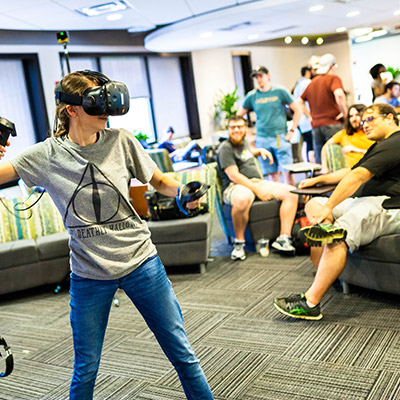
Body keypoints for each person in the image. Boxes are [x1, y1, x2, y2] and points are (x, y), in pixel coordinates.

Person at [0, 71, 213, 400]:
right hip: (89, 273)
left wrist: (182, 191)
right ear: (71, 109)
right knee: (86, 368)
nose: (107, 109)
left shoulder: (121, 140)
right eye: (97, 102)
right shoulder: (46, 155)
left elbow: (158, 181)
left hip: (141, 262)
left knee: (183, 355)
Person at [273, 103, 400, 320]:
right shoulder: (381, 145)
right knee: (313, 204)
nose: (364, 125)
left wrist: (329, 207)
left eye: (370, 119)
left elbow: (358, 176)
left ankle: (310, 302)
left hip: (388, 205)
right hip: (367, 200)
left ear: (389, 118)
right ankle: (328, 234)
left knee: (338, 232)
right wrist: (318, 179)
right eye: (363, 121)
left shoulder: (396, 142)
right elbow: (349, 171)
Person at [218, 115, 299, 260]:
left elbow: (246, 154)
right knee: (242, 199)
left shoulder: (244, 143)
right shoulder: (225, 147)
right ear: (228, 130)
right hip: (236, 185)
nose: (236, 130)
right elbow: (234, 175)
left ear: (246, 129)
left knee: (291, 193)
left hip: (256, 182)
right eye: (232, 127)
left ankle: (284, 238)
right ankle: (239, 243)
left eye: (240, 127)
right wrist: (257, 190)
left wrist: (259, 151)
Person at [237, 66, 303, 186]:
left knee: (288, 173)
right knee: (273, 176)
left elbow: (298, 109)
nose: (259, 79)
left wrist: (292, 130)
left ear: (268, 75)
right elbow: (239, 116)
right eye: (256, 77)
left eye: (261, 76)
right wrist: (248, 134)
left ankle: (294, 201)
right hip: (262, 139)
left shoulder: (280, 91)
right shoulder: (252, 96)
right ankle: (279, 201)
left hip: (280, 137)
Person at [299, 53, 348, 164]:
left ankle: (323, 180)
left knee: (321, 159)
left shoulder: (312, 82)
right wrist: (344, 112)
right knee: (337, 158)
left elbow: (300, 101)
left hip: (316, 126)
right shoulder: (333, 79)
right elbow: (339, 95)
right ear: (332, 66)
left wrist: (310, 117)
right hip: (333, 123)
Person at [319, 104, 374, 174]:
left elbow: (377, 154)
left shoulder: (371, 133)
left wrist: (355, 150)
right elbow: (325, 147)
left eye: (357, 115)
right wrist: (325, 167)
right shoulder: (344, 133)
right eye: (351, 116)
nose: (354, 119)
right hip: (348, 171)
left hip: (367, 169)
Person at [292, 66, 315, 163]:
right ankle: (315, 169)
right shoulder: (307, 83)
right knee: (312, 146)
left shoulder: (298, 84)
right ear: (307, 72)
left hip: (302, 122)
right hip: (308, 120)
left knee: (308, 145)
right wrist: (309, 116)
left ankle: (311, 169)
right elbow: (301, 102)